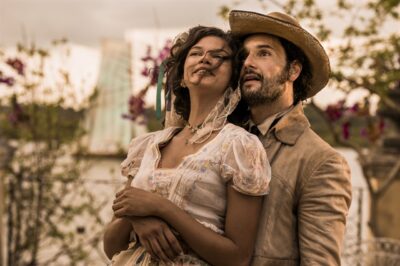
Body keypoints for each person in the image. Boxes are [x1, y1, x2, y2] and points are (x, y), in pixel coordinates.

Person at [103, 26, 271, 265]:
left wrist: (161, 208)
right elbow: (111, 247)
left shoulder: (239, 147)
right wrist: (137, 219)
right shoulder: (147, 146)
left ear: (233, 76)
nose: (205, 58)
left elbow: (238, 258)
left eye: (218, 56)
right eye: (196, 53)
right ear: (181, 76)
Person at [228, 10, 352, 265]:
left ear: (293, 70)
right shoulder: (224, 137)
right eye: (244, 55)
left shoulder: (321, 162)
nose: (247, 63)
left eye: (263, 53)